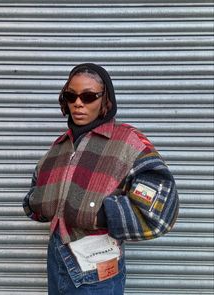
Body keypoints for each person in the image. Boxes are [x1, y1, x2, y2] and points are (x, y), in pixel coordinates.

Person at [23, 63, 179, 295]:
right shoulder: (59, 147)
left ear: (105, 100)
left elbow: (161, 201)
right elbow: (36, 193)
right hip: (57, 261)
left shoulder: (127, 141)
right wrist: (42, 203)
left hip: (98, 272)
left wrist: (101, 214)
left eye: (88, 96)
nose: (78, 103)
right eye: (71, 95)